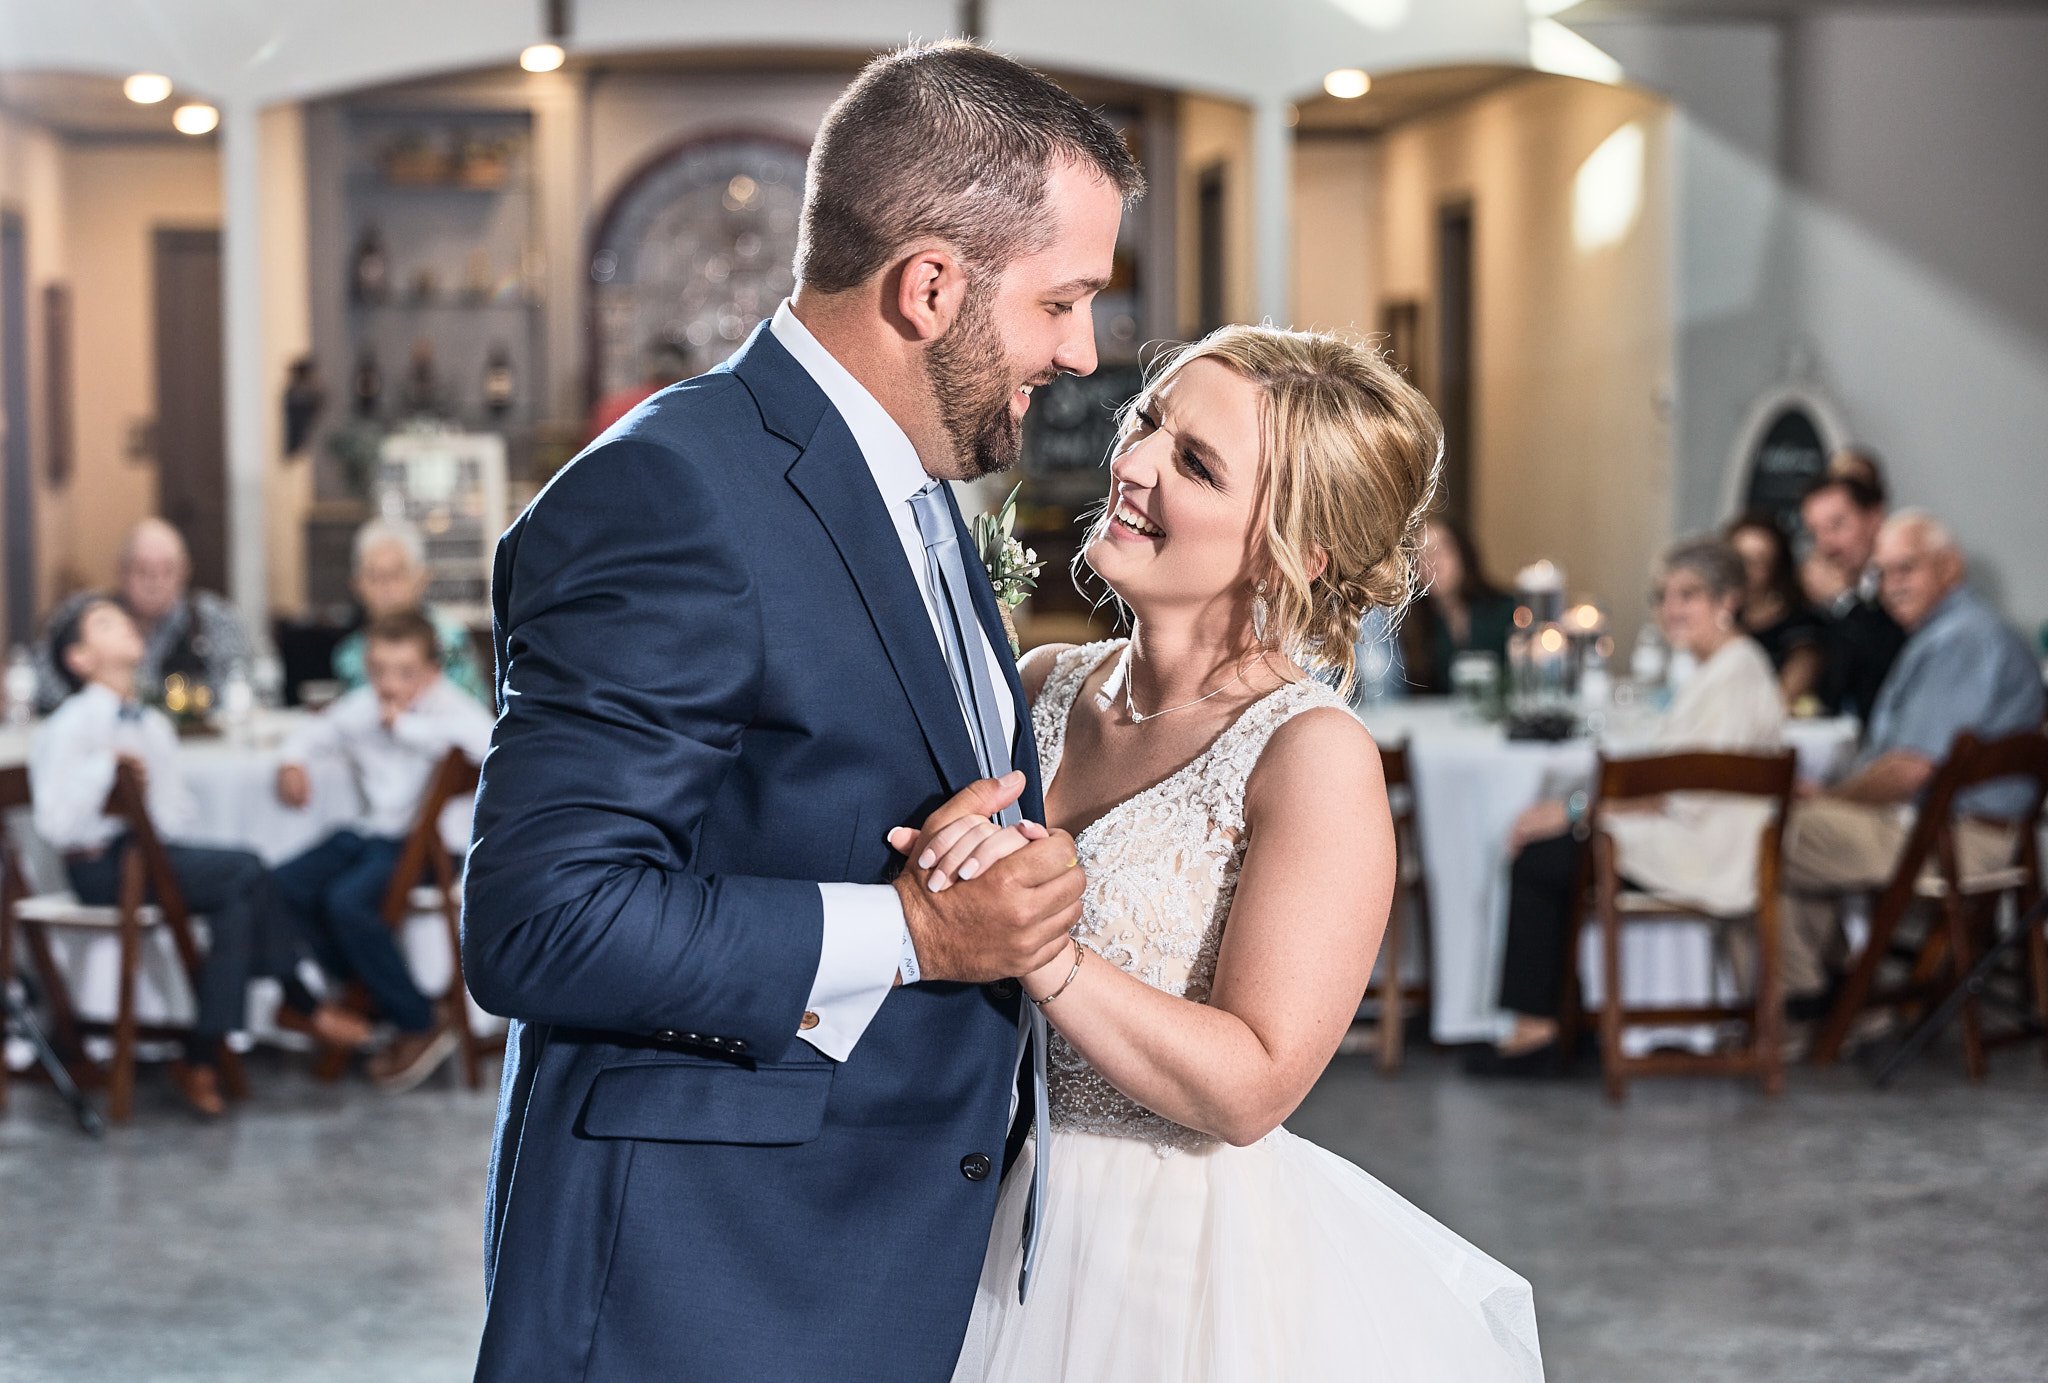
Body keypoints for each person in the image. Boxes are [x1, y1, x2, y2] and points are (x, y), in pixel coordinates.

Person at [462, 43, 1131, 1381]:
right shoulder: (671, 492)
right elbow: (542, 919)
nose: (1083, 350)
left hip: (866, 1263)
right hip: (700, 1289)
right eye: (1063, 301)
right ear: (932, 286)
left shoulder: (918, 480)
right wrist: (921, 931)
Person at [923, 326, 1539, 1381]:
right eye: (1148, 422)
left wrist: (1039, 949)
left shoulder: (1307, 756)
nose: (1133, 462)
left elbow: (1253, 1083)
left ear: (1296, 550)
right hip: (981, 1217)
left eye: (1194, 463)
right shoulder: (1040, 684)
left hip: (1168, 1264)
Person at [28, 595, 364, 1116]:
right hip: (100, 868)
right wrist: (106, 778)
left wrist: (145, 803)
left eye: (121, 615)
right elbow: (55, 824)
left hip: (150, 857)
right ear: (79, 659)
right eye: (103, 623)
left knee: (237, 897)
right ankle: (296, 1001)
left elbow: (175, 814)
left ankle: (202, 1056)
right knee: (247, 867)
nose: (123, 623)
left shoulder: (152, 723)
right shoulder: (70, 725)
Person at [1462, 538, 1784, 1078]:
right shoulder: (1721, 668)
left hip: (1706, 847)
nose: (1672, 609)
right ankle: (1569, 1019)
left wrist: (1574, 811)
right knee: (1557, 852)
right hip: (1696, 834)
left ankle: (1537, 1031)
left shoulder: (1735, 672)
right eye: (1663, 596)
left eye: (1690, 595)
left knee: (1544, 859)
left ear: (1728, 599)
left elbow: (1679, 785)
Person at [1778, 511, 2045, 1013]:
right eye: (1883, 573)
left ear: (1950, 568)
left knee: (1776, 833)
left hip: (1958, 839)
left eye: (1907, 569)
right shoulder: (1957, 632)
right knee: (1800, 830)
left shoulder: (1963, 640)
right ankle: (1834, 990)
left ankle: (1815, 1000)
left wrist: (1833, 798)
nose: (1892, 586)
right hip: (1952, 828)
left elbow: (1910, 769)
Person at [273, 611, 494, 1090]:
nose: (390, 685)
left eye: (405, 673)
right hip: (374, 834)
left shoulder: (451, 709)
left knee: (347, 902)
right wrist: (292, 762)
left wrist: (408, 728)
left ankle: (417, 1020)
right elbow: (317, 729)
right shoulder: (365, 705)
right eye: (379, 671)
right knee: (282, 885)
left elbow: (491, 744)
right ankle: (365, 990)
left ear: (432, 673)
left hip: (431, 849)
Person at [32, 519, 255, 713]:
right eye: (143, 570)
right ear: (121, 570)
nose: (154, 583)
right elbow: (39, 675)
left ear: (185, 572)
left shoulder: (212, 619)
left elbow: (239, 685)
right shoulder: (87, 616)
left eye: (167, 570)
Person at [330, 518, 490, 705]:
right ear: (356, 585)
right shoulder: (349, 654)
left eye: (396, 575)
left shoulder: (449, 641)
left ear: (422, 579)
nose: (385, 587)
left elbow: (472, 712)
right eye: (374, 576)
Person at [1799, 475, 1903, 720]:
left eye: (1837, 525)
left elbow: (1887, 660)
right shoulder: (1820, 599)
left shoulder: (1900, 581)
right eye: (1815, 532)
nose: (1826, 545)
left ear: (1875, 518)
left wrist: (1842, 601)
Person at [1399, 515, 1517, 694]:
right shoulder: (1410, 625)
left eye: (1441, 550)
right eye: (1420, 555)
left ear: (1462, 554)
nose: (1432, 563)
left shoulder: (1507, 610)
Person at [1726, 512, 1825, 706]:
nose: (1745, 571)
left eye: (1757, 562)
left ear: (1776, 568)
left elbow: (1782, 699)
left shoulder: (1801, 627)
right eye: (1738, 559)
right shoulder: (1723, 618)